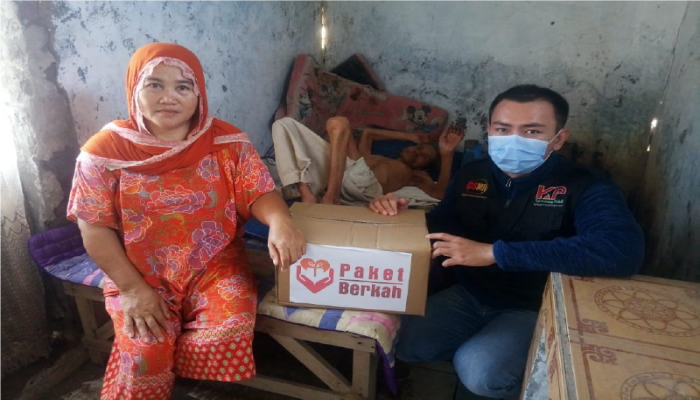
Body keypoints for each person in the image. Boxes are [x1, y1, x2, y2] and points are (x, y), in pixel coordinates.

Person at [369, 85, 644, 398]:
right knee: (401, 340)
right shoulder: (472, 175)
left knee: (480, 371)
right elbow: (440, 226)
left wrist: (497, 253)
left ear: (558, 139)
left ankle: (505, 371)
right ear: (489, 131)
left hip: (533, 306)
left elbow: (622, 249)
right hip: (470, 293)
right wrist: (399, 214)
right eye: (503, 129)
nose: (514, 140)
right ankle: (484, 349)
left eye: (532, 131)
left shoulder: (585, 185)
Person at [67, 43, 306, 400]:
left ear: (199, 95)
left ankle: (177, 371)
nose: (169, 97)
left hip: (216, 265)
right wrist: (132, 289)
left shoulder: (226, 142)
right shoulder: (103, 153)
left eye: (183, 86)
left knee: (228, 331)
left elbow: (257, 191)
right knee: (147, 351)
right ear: (134, 90)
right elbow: (94, 227)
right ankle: (147, 370)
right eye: (154, 85)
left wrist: (280, 220)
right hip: (139, 271)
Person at [272, 116, 464, 205]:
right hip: (339, 172)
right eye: (418, 148)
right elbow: (368, 133)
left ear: (424, 166)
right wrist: (410, 136)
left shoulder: (415, 176)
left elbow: (439, 193)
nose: (417, 153)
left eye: (424, 157)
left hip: (365, 185)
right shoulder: (370, 156)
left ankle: (331, 198)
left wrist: (447, 153)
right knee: (283, 124)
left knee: (339, 123)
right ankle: (308, 195)